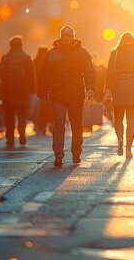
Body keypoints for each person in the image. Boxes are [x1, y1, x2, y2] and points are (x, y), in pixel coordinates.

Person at [38, 26, 95, 166]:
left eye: (69, 35)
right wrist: (43, 93)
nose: (67, 37)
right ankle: (58, 154)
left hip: (76, 94)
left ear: (73, 37)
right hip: (57, 95)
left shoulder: (82, 53)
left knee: (76, 125)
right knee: (59, 124)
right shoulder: (52, 54)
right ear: (60, 36)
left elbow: (89, 72)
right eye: (64, 35)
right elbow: (44, 75)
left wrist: (90, 88)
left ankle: (76, 153)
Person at [104, 32, 134, 158]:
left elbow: (109, 73)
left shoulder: (115, 54)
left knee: (118, 118)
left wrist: (107, 90)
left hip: (118, 87)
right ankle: (129, 149)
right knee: (131, 120)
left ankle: (120, 138)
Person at [0, 35, 36, 147]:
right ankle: (22, 135)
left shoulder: (5, 58)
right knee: (22, 115)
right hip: (23, 91)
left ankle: (10, 137)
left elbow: (0, 75)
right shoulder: (27, 58)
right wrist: (32, 90)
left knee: (9, 115)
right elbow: (31, 75)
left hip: (8, 91)